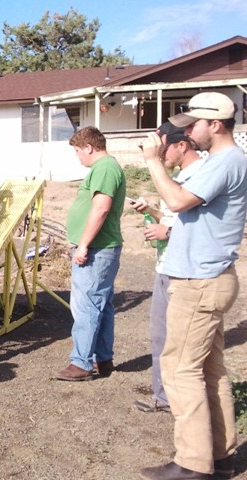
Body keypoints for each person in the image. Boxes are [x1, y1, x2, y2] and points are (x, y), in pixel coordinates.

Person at [139, 92, 246, 480]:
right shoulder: (223, 162)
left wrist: (153, 161)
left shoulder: (226, 161)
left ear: (214, 124)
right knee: (210, 370)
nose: (190, 130)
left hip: (198, 281)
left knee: (180, 370)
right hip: (207, 277)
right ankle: (219, 458)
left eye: (194, 124)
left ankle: (192, 464)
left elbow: (179, 200)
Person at [131, 123, 203, 414]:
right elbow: (175, 217)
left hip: (185, 271)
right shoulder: (180, 176)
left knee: (180, 342)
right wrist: (152, 212)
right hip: (165, 266)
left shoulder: (202, 176)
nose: (160, 157)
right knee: (160, 336)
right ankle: (163, 397)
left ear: (182, 145)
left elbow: (203, 228)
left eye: (163, 151)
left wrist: (168, 233)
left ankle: (184, 404)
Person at [55, 127, 126, 382]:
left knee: (86, 306)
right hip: (102, 247)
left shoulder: (105, 168)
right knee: (101, 305)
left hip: (97, 249)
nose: (78, 157)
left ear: (89, 147)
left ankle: (81, 363)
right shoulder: (104, 168)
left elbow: (101, 208)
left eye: (77, 151)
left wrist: (83, 244)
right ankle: (102, 359)